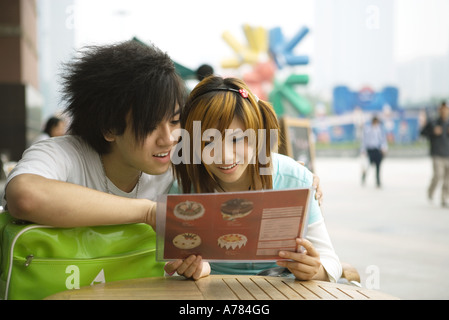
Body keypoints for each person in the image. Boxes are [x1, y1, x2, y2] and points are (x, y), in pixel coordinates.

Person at [165, 76, 342, 282]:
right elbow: (168, 265)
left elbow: (331, 261)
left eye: (237, 139)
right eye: (208, 142)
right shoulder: (184, 188)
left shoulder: (294, 179)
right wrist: (196, 269)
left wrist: (314, 270)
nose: (225, 156)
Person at [2, 40, 185, 229]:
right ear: (109, 128)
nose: (169, 139)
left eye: (174, 121)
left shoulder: (177, 166)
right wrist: (147, 212)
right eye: (149, 126)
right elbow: (26, 196)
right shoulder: (63, 154)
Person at [421, 101, 449, 207]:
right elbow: (422, 133)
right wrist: (433, 131)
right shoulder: (433, 122)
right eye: (442, 109)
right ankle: (430, 191)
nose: (444, 111)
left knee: (448, 179)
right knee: (438, 175)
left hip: (448, 154)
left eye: (446, 109)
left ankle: (444, 198)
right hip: (437, 154)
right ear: (439, 110)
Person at [361, 116, 388, 188]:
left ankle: (378, 181)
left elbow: (383, 140)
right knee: (369, 165)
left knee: (378, 166)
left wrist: (384, 148)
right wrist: (363, 150)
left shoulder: (380, 130)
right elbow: (364, 140)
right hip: (370, 150)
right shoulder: (368, 130)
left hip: (377, 150)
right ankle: (364, 176)